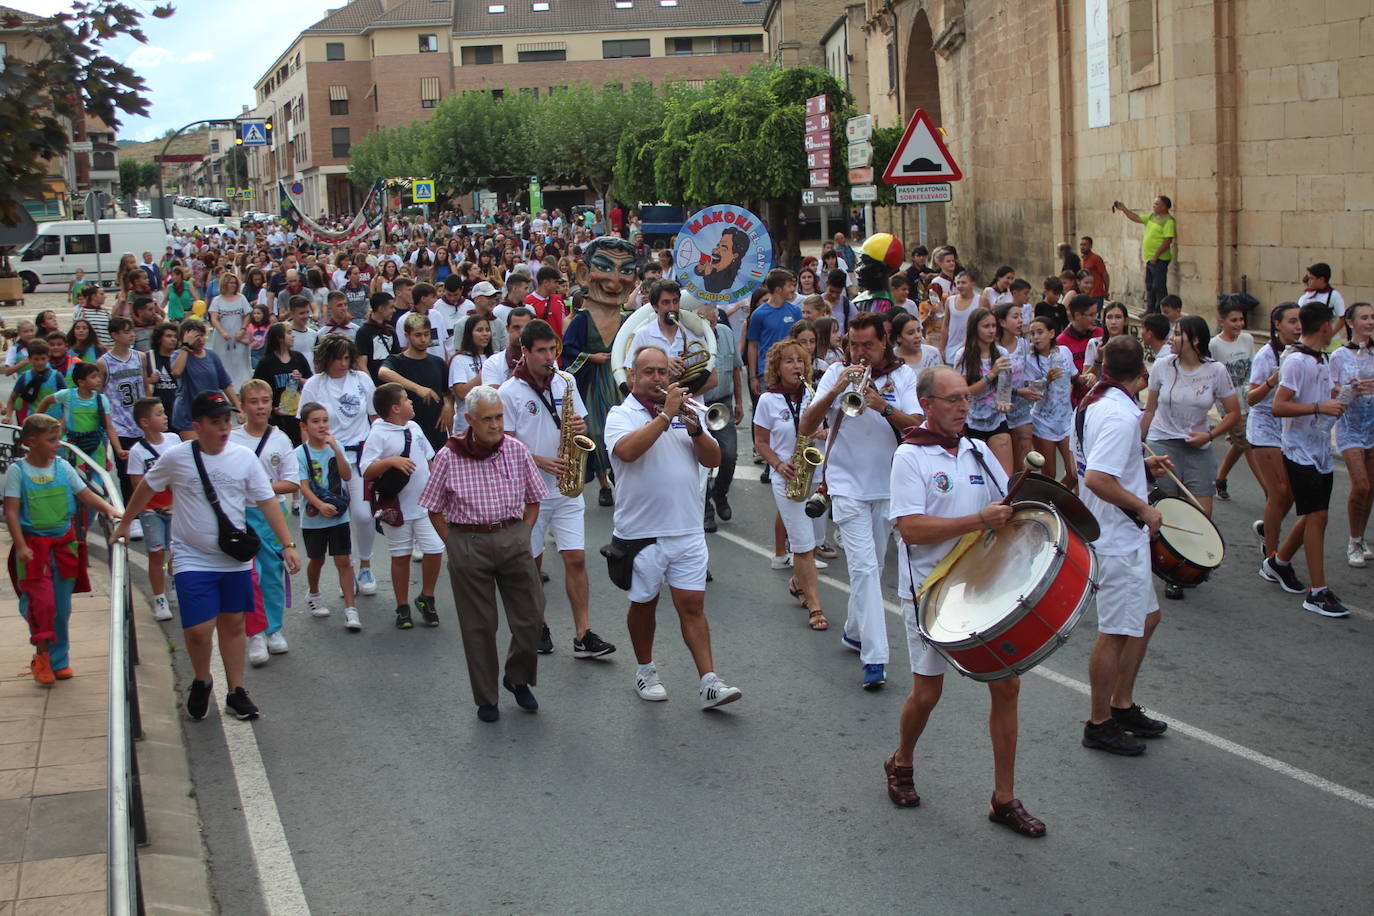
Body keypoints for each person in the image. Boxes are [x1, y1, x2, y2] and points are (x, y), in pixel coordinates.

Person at [884, 365, 1044, 836]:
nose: (962, 407)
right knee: (928, 693)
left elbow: (1006, 506)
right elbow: (910, 528)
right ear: (927, 405)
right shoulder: (909, 457)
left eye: (965, 400)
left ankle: (1004, 798)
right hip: (929, 590)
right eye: (952, 400)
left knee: (1007, 686)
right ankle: (902, 760)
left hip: (981, 588)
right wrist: (978, 519)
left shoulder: (976, 450)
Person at [112, 391, 302, 722]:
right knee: (199, 629)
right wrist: (126, 521)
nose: (224, 428)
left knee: (233, 624)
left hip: (234, 557)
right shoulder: (176, 457)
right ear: (197, 426)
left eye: (227, 420)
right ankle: (202, 680)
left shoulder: (243, 458)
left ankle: (236, 691)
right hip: (191, 558)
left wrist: (288, 545)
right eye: (215, 422)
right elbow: (146, 486)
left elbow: (267, 500)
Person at [605, 346, 741, 708]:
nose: (657, 378)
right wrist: (665, 417)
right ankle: (645, 669)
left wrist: (696, 430)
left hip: (686, 528)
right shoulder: (621, 415)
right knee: (644, 604)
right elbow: (628, 452)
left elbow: (713, 459)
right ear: (633, 376)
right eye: (648, 371)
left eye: (663, 372)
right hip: (641, 531)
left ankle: (709, 681)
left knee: (693, 605)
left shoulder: (688, 412)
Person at [799, 313, 922, 690]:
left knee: (874, 563)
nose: (860, 352)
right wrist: (835, 391)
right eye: (854, 344)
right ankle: (875, 657)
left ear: (885, 341)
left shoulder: (902, 377)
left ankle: (854, 631)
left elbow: (917, 426)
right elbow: (806, 427)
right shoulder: (835, 373)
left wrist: (882, 405)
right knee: (866, 570)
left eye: (868, 345)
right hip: (845, 485)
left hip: (887, 486)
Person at [420, 385, 547, 723]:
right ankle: (486, 697)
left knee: (532, 615)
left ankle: (517, 676)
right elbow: (433, 506)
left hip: (512, 537)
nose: (496, 425)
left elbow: (535, 496)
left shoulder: (517, 450)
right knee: (479, 625)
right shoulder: (449, 454)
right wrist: (454, 544)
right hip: (469, 541)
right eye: (488, 419)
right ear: (470, 421)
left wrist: (524, 531)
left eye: (500, 417)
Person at [1073, 335, 1172, 756]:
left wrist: (1140, 465)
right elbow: (1097, 478)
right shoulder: (1118, 416)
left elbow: (1103, 463)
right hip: (1115, 537)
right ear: (1143, 375)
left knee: (1147, 619)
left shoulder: (1097, 401)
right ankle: (1099, 723)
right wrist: (1145, 509)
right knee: (1114, 633)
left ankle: (1122, 704)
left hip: (1116, 532)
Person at [498, 319, 617, 659]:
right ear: (525, 352)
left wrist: (580, 424)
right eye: (542, 351)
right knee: (532, 566)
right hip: (529, 492)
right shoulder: (509, 392)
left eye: (553, 349)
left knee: (576, 559)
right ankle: (538, 623)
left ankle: (583, 634)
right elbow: (504, 444)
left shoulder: (565, 381)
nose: (550, 357)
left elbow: (579, 422)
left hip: (566, 487)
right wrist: (539, 461)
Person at [6, 414, 119, 685]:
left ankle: (60, 660)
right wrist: (21, 545)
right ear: (31, 442)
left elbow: (85, 494)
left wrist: (110, 510)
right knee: (40, 605)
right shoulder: (17, 472)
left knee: (62, 607)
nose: (59, 444)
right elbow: (11, 512)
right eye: (52, 440)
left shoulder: (63, 468)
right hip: (34, 550)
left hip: (63, 547)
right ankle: (42, 656)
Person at [1140, 314, 1241, 599]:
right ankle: (1171, 571)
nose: (1171, 338)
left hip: (1198, 446)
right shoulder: (1161, 366)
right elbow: (1149, 410)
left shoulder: (1216, 371)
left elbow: (1233, 413)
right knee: (1167, 508)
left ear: (1195, 340)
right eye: (1172, 333)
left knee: (1201, 511)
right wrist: (1138, 440)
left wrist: (1208, 436)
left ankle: (1191, 561)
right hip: (1163, 442)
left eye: (1177, 334)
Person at [1268, 302, 1349, 617]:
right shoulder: (1297, 361)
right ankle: (1317, 593)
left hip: (1319, 448)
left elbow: (1320, 397)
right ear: (1326, 326)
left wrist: (1344, 393)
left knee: (1319, 515)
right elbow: (1279, 406)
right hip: (1299, 450)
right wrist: (1320, 408)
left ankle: (1279, 561)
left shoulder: (1321, 359)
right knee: (1316, 517)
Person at [753, 339, 828, 630]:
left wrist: (822, 431)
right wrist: (778, 463)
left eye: (800, 361)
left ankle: (799, 582)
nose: (796, 366)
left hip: (815, 473)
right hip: (787, 477)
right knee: (803, 544)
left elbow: (828, 427)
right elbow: (760, 442)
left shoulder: (813, 396)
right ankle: (815, 605)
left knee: (810, 540)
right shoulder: (768, 401)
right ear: (776, 367)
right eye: (789, 361)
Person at [297, 335, 379, 597]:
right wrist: (309, 461)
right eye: (338, 358)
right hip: (327, 458)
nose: (343, 363)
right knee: (336, 517)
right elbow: (304, 424)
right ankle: (348, 568)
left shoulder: (362, 380)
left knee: (364, 514)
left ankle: (366, 563)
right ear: (326, 359)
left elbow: (375, 417)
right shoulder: (314, 385)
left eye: (347, 357)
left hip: (359, 456)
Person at [362, 383, 444, 630]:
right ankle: (402, 606)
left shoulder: (415, 427)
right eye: (407, 400)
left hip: (425, 505)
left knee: (435, 549)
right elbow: (366, 468)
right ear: (395, 408)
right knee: (401, 557)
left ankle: (426, 597)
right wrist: (390, 461)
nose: (411, 403)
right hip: (397, 507)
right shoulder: (379, 433)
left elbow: (429, 459)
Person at [231, 380, 301, 666]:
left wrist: (261, 487)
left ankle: (273, 629)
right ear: (243, 405)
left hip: (272, 514)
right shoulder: (232, 440)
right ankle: (255, 633)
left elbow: (292, 481)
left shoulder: (280, 439)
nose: (260, 407)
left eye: (264, 401)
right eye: (253, 401)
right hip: (240, 514)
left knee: (271, 572)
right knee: (250, 576)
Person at [296, 402, 361, 631]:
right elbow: (303, 486)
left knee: (343, 559)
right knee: (317, 559)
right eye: (315, 421)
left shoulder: (337, 446)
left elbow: (346, 475)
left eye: (324, 420)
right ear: (305, 426)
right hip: (314, 517)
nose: (322, 426)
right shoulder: (300, 453)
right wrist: (320, 505)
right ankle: (313, 594)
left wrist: (336, 450)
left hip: (338, 515)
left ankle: (351, 610)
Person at [1249, 303, 1305, 564]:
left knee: (1292, 493)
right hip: (1264, 427)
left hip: (1288, 428)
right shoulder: (1266, 355)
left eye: (1300, 321)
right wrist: (1274, 379)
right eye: (1292, 321)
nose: (1298, 326)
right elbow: (1250, 397)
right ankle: (1271, 553)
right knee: (1278, 492)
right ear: (1277, 325)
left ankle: (1266, 529)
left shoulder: (1302, 352)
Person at [1331, 301, 1374, 567]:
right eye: (1364, 318)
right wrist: (1350, 389)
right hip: (1349, 426)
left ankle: (1361, 538)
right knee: (1361, 485)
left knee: (1371, 488)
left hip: (1373, 425)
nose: (1370, 322)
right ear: (1350, 322)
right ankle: (1352, 541)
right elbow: (1331, 392)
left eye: (1373, 317)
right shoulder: (1339, 356)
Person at [126, 398, 175, 621]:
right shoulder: (137, 452)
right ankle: (159, 599)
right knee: (156, 553)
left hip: (177, 508)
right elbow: (139, 486)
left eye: (164, 412)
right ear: (145, 422)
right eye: (159, 414)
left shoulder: (174, 440)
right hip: (151, 511)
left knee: (177, 552)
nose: (164, 417)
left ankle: (173, 584)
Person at [698, 297, 744, 531]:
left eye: (714, 322)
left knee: (729, 454)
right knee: (701, 462)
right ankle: (705, 509)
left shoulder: (725, 333)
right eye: (706, 322)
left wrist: (740, 403)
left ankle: (720, 493)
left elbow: (735, 368)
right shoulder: (692, 337)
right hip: (699, 404)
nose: (711, 326)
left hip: (723, 402)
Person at [378, 313, 452, 453]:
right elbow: (383, 373)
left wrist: (448, 406)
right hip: (408, 429)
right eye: (418, 335)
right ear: (407, 336)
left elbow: (447, 392)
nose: (423, 339)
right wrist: (417, 388)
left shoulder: (438, 362)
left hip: (436, 430)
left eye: (426, 334)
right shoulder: (397, 361)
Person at [1210, 298, 1260, 502]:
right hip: (1229, 404)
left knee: (1240, 443)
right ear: (1222, 321)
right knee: (1247, 443)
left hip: (1249, 399)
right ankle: (1268, 490)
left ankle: (1220, 479)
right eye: (1234, 320)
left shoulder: (1247, 340)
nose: (1239, 324)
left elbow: (1253, 369)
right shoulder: (1215, 345)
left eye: (1241, 319)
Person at [953, 308, 1014, 474]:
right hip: (971, 420)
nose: (991, 330)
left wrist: (1005, 402)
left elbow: (1005, 387)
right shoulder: (963, 355)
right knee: (975, 476)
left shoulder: (1001, 353)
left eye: (994, 326)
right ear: (975, 328)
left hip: (997, 419)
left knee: (1004, 476)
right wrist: (991, 374)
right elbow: (964, 393)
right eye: (986, 326)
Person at [630, 280, 717, 393]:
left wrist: (683, 400)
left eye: (675, 301)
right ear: (655, 306)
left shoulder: (694, 333)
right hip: (657, 407)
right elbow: (630, 380)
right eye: (666, 303)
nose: (672, 308)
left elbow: (713, 379)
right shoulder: (643, 334)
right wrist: (662, 364)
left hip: (691, 404)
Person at [39, 362, 123, 471]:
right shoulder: (67, 395)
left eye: (98, 376)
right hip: (74, 447)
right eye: (93, 377)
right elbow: (47, 400)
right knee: (77, 478)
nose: (99, 380)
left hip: (96, 446)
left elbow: (109, 426)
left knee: (97, 480)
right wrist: (38, 419)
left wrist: (119, 449)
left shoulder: (101, 399)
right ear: (81, 382)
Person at [1024, 316, 1077, 487]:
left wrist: (1087, 377)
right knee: (1049, 474)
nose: (1036, 337)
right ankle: (1047, 504)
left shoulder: (1065, 352)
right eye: (1033, 333)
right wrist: (1046, 380)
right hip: (1043, 422)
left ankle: (1057, 503)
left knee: (1074, 472)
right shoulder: (1030, 360)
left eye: (1040, 332)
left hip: (1066, 420)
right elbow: (1032, 393)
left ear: (1052, 333)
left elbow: (1074, 376)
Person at [100, 317, 147, 510]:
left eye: (132, 331)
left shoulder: (139, 357)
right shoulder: (104, 363)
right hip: (120, 423)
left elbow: (145, 386)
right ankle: (131, 511)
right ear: (115, 335)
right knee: (126, 470)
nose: (132, 335)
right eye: (127, 332)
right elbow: (100, 393)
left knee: (145, 468)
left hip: (140, 421)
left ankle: (147, 507)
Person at [169, 319, 239, 440]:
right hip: (188, 414)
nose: (201, 340)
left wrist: (238, 406)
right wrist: (186, 346)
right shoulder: (179, 355)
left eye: (202, 336)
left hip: (212, 411)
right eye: (196, 337)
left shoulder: (212, 355)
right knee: (197, 450)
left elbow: (225, 383)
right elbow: (176, 372)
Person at [252, 323, 313, 447]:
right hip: (277, 420)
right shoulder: (266, 363)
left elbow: (312, 384)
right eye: (289, 333)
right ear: (279, 338)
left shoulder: (298, 358)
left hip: (297, 416)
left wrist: (300, 379)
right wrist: (273, 409)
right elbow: (257, 389)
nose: (293, 336)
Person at [1112, 195, 1176, 313]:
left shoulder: (1168, 221)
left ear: (1164, 207)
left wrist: (1156, 255)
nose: (1154, 206)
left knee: (1158, 286)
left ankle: (1160, 311)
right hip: (1149, 258)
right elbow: (1136, 218)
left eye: (1156, 204)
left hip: (1160, 259)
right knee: (1150, 285)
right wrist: (1124, 209)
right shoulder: (1152, 217)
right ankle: (1150, 309)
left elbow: (1168, 240)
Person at [448, 314, 494, 437]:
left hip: (491, 426)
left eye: (487, 330)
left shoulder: (495, 358)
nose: (485, 334)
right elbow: (461, 393)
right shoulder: (459, 359)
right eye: (479, 330)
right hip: (466, 428)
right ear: (469, 334)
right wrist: (485, 373)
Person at [208, 272, 253, 388]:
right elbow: (214, 318)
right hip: (222, 337)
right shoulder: (217, 300)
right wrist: (222, 332)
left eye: (234, 283)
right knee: (223, 360)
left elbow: (247, 314)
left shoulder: (241, 298)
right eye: (230, 283)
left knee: (240, 361)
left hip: (239, 335)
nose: (233, 285)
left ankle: (241, 386)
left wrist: (243, 329)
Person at [3, 339, 62, 425]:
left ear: (48, 358)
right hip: (34, 423)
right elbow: (12, 398)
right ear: (29, 359)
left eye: (43, 358)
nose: (40, 362)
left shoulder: (57, 376)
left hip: (54, 423)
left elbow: (66, 399)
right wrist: (8, 416)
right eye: (36, 359)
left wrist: (64, 420)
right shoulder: (25, 377)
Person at [481, 307, 533, 388]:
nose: (522, 332)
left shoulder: (544, 358)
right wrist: (518, 372)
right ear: (507, 329)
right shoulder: (492, 363)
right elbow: (493, 398)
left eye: (526, 327)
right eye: (516, 327)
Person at [940, 270, 979, 364]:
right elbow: (945, 325)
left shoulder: (981, 300)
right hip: (951, 349)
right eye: (958, 283)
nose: (960, 285)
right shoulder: (950, 300)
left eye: (964, 283)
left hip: (972, 350)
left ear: (973, 284)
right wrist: (942, 348)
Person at [524, 265, 567, 336]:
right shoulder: (527, 302)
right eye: (555, 282)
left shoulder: (558, 299)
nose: (557, 286)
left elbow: (565, 323)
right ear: (545, 282)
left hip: (560, 346)